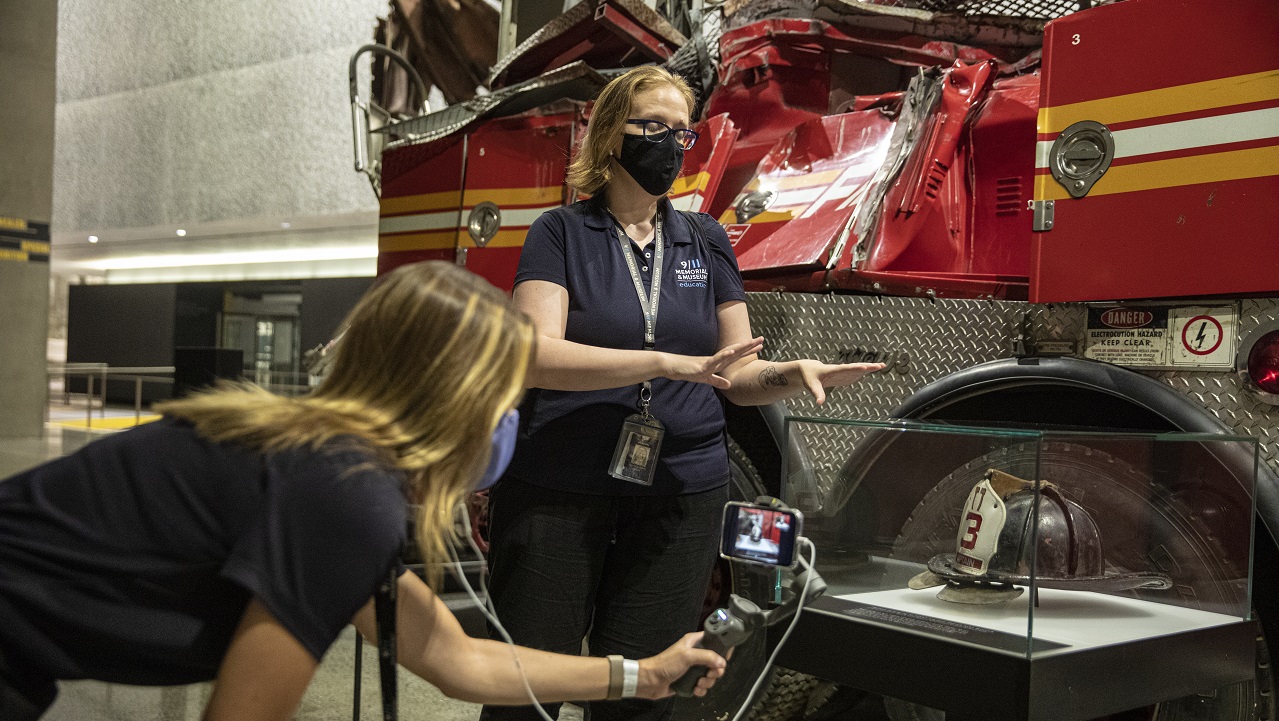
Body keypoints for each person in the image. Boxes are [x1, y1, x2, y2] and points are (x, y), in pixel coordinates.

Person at [0, 261, 726, 721]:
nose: (509, 420)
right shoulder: (343, 492)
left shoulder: (328, 465)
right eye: (505, 398)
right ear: (454, 397)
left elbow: (455, 657)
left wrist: (641, 674)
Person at [482, 66, 884, 721]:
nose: (670, 144)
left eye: (681, 132)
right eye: (652, 127)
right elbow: (535, 354)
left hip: (678, 494)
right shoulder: (559, 232)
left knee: (645, 689)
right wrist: (665, 361)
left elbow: (736, 371)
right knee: (531, 686)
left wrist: (789, 373)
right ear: (611, 134)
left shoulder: (705, 238)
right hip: (558, 486)